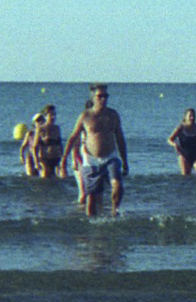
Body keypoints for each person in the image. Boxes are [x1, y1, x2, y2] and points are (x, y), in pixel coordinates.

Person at [62, 84, 129, 216]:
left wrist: (125, 160)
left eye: (106, 96)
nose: (103, 99)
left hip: (111, 156)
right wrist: (64, 159)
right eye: (100, 96)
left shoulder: (113, 115)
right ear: (93, 98)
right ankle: (91, 223)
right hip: (91, 159)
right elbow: (73, 137)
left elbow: (120, 138)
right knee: (91, 197)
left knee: (117, 185)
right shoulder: (85, 116)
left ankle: (114, 212)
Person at [167, 108, 196, 177]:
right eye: (190, 116)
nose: (192, 118)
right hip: (184, 155)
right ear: (185, 117)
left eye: (193, 116)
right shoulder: (181, 127)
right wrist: (175, 144)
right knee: (186, 176)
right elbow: (170, 139)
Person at [30, 105, 64, 178]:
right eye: (50, 115)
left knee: (61, 178)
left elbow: (60, 145)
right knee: (45, 180)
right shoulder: (41, 129)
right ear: (45, 116)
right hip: (45, 160)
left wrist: (63, 159)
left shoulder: (57, 128)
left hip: (56, 158)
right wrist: (36, 162)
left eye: (54, 115)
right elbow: (35, 147)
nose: (53, 117)